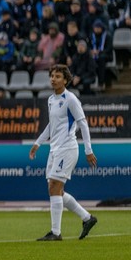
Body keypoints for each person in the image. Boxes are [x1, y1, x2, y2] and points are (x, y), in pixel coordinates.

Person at [29, 64, 98, 241]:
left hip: (68, 148)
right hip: (54, 149)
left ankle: (56, 232)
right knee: (55, 190)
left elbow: (83, 123)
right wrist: (38, 143)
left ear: (65, 80)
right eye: (52, 75)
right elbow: (52, 125)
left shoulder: (71, 99)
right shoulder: (51, 99)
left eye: (58, 76)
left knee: (54, 186)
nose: (53, 79)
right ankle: (87, 218)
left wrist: (88, 150)